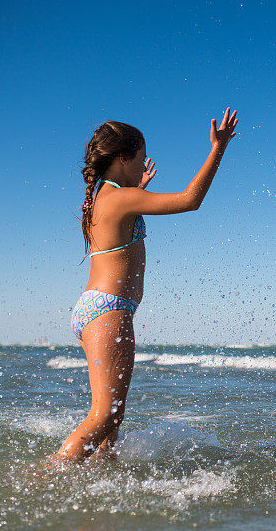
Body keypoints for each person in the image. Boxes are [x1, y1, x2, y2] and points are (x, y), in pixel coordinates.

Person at [49, 107, 238, 464]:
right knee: (103, 416)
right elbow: (189, 200)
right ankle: (44, 480)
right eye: (140, 156)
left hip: (96, 308)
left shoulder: (103, 198)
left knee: (113, 417)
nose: (144, 163)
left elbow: (119, 225)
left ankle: (104, 480)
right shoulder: (119, 198)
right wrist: (219, 148)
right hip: (109, 309)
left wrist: (136, 190)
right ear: (122, 157)